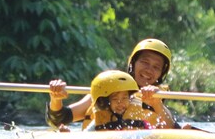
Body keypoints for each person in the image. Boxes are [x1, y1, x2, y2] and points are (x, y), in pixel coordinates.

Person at [46, 38, 177, 130]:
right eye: (145, 62)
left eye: (156, 67)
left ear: (161, 74)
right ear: (133, 64)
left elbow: (172, 130)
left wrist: (157, 104)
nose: (149, 70)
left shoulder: (157, 99)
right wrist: (55, 99)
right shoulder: (106, 88)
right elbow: (58, 119)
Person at [86, 70, 155, 131]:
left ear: (130, 99)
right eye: (115, 99)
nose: (120, 103)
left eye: (124, 98)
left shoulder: (139, 120)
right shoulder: (95, 124)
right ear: (105, 102)